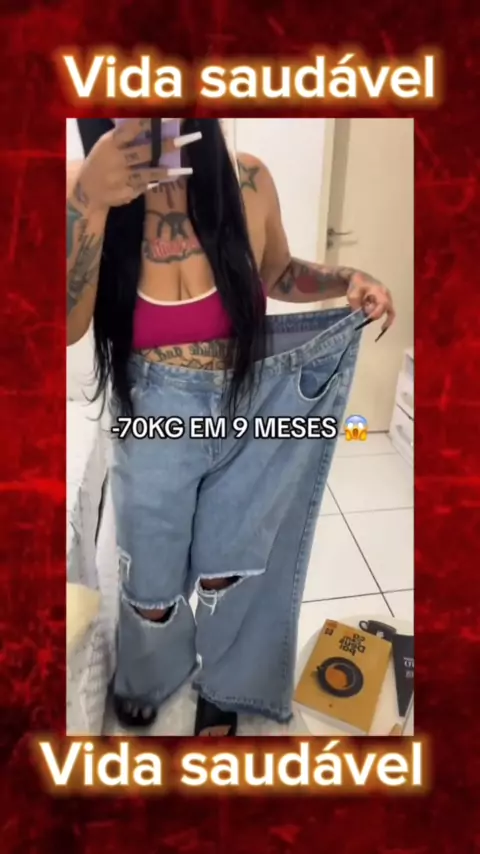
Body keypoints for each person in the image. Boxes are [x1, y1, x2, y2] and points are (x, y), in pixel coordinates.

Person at [67, 118, 395, 736]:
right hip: (153, 422)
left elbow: (276, 272)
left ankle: (224, 683)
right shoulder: (82, 185)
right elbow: (65, 325)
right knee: (151, 588)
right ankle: (150, 676)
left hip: (251, 405)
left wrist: (345, 280)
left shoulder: (248, 179)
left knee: (232, 569)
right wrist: (91, 197)